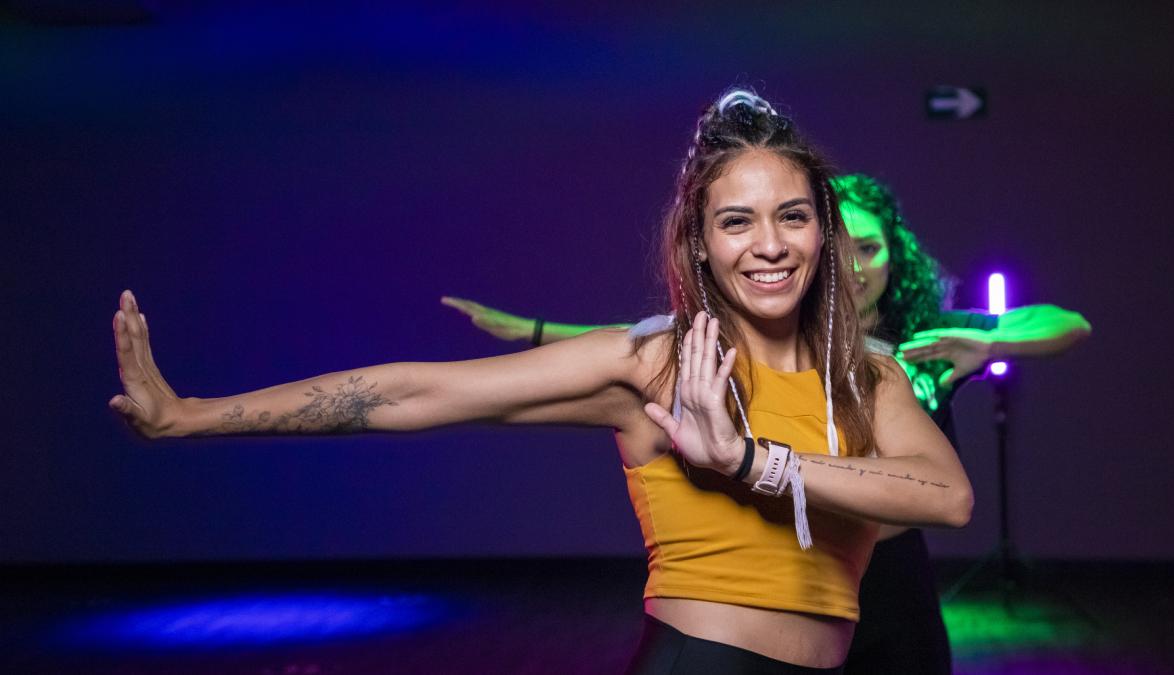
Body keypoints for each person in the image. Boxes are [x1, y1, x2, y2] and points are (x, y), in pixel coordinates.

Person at [109, 89, 974, 673]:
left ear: (823, 230)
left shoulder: (870, 377)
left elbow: (947, 495)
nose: (770, 244)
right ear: (700, 243)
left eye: (792, 216)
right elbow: (417, 392)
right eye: (736, 221)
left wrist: (754, 459)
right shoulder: (657, 361)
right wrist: (192, 415)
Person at [444, 173, 1091, 673]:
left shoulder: (925, 334)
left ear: (896, 256)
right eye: (842, 246)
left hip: (893, 576)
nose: (857, 264)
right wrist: (533, 331)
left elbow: (1066, 322)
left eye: (871, 247)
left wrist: (992, 345)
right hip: (803, 564)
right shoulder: (771, 337)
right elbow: (634, 341)